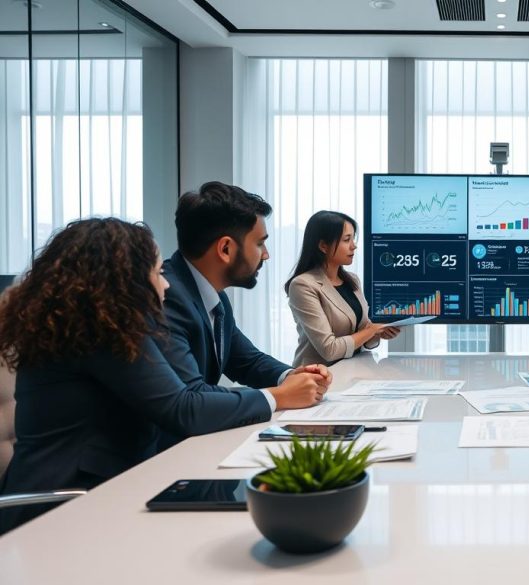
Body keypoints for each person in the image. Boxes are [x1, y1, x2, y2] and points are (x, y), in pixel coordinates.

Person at [0, 219, 295, 533]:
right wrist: (276, 397)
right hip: (64, 510)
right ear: (122, 281)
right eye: (156, 272)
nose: (166, 283)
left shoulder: (86, 325)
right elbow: (183, 407)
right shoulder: (101, 331)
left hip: (107, 489)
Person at [159, 182, 329, 447]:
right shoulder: (167, 299)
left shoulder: (213, 296)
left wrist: (294, 377)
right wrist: (279, 396)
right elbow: (190, 400)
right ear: (225, 249)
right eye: (260, 243)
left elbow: (245, 361)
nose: (267, 255)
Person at [286, 211, 399, 366]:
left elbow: (362, 335)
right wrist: (371, 331)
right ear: (323, 246)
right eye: (347, 240)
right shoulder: (302, 285)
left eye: (353, 239)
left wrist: (378, 333)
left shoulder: (352, 280)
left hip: (354, 373)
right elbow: (329, 349)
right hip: (317, 377)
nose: (354, 246)